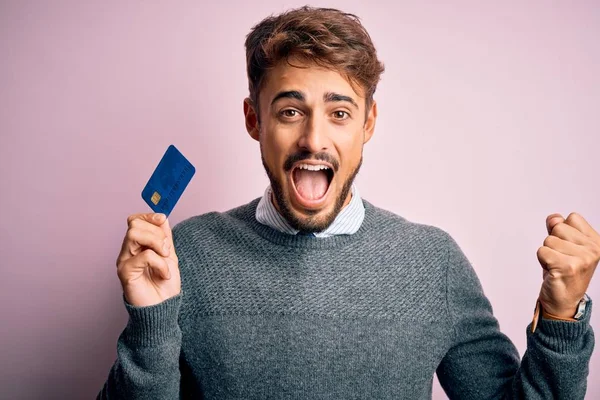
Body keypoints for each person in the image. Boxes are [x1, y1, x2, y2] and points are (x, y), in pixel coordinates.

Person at [98, 6, 597, 399]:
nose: (314, 139)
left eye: (339, 112)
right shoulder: (188, 254)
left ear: (369, 123)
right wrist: (151, 324)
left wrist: (559, 317)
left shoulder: (432, 264)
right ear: (254, 120)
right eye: (290, 110)